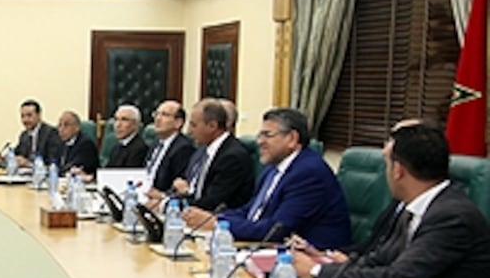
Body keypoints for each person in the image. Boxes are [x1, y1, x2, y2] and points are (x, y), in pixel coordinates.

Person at [293, 121, 490, 278]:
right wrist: (329, 263)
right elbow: (379, 259)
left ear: (397, 170)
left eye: (386, 164)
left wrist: (316, 271)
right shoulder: (415, 207)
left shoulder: (452, 216)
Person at [184, 107, 350, 249]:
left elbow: (276, 230)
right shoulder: (273, 168)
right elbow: (250, 211)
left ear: (292, 139)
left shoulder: (308, 173)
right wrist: (213, 219)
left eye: (267, 135)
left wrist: (215, 224)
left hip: (311, 261)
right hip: (266, 248)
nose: (259, 142)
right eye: (259, 135)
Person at [172, 99, 254, 212]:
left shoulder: (232, 157)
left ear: (212, 126)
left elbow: (211, 202)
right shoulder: (203, 150)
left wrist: (168, 205)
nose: (189, 131)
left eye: (193, 125)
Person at [143, 101, 195, 194]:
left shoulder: (183, 148)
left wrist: (162, 196)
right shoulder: (155, 144)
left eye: (164, 115)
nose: (158, 119)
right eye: (156, 114)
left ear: (178, 122)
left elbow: (178, 185)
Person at [10, 99, 60, 168]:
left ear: (39, 115)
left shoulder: (51, 133)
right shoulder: (24, 135)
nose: (25, 120)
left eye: (29, 115)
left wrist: (29, 164)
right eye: (22, 116)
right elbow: (17, 154)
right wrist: (6, 158)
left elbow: (53, 163)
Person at [56, 110, 98, 179]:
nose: (61, 129)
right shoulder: (61, 143)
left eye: (66, 125)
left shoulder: (86, 144)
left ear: (77, 127)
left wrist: (57, 171)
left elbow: (73, 165)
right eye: (59, 125)